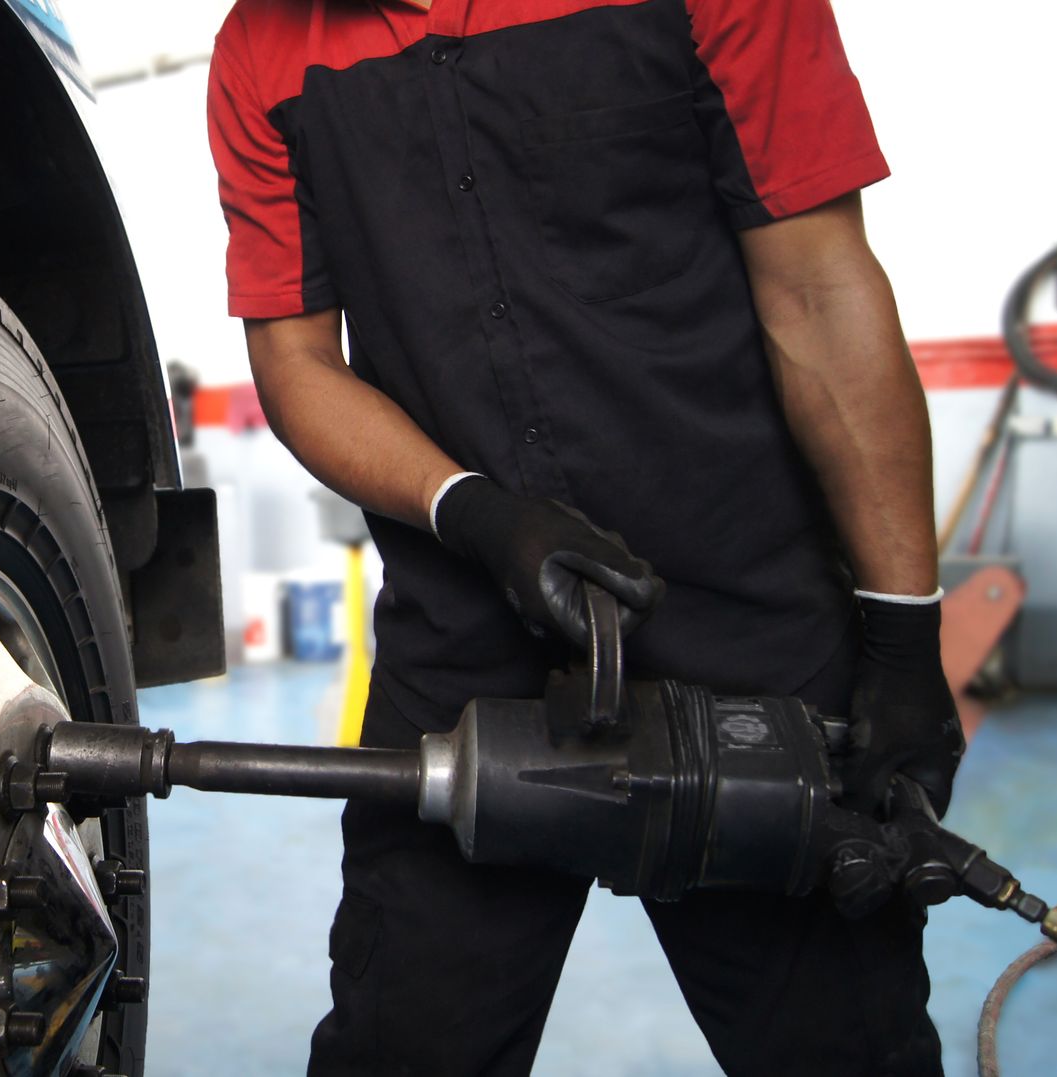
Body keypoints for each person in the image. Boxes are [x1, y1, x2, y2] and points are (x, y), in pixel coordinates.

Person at [205, 0, 967, 1073]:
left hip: (752, 645)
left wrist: (901, 637)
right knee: (403, 1047)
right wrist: (473, 509)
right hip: (467, 654)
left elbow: (819, 289)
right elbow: (297, 365)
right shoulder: (258, 52)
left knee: (840, 1048)